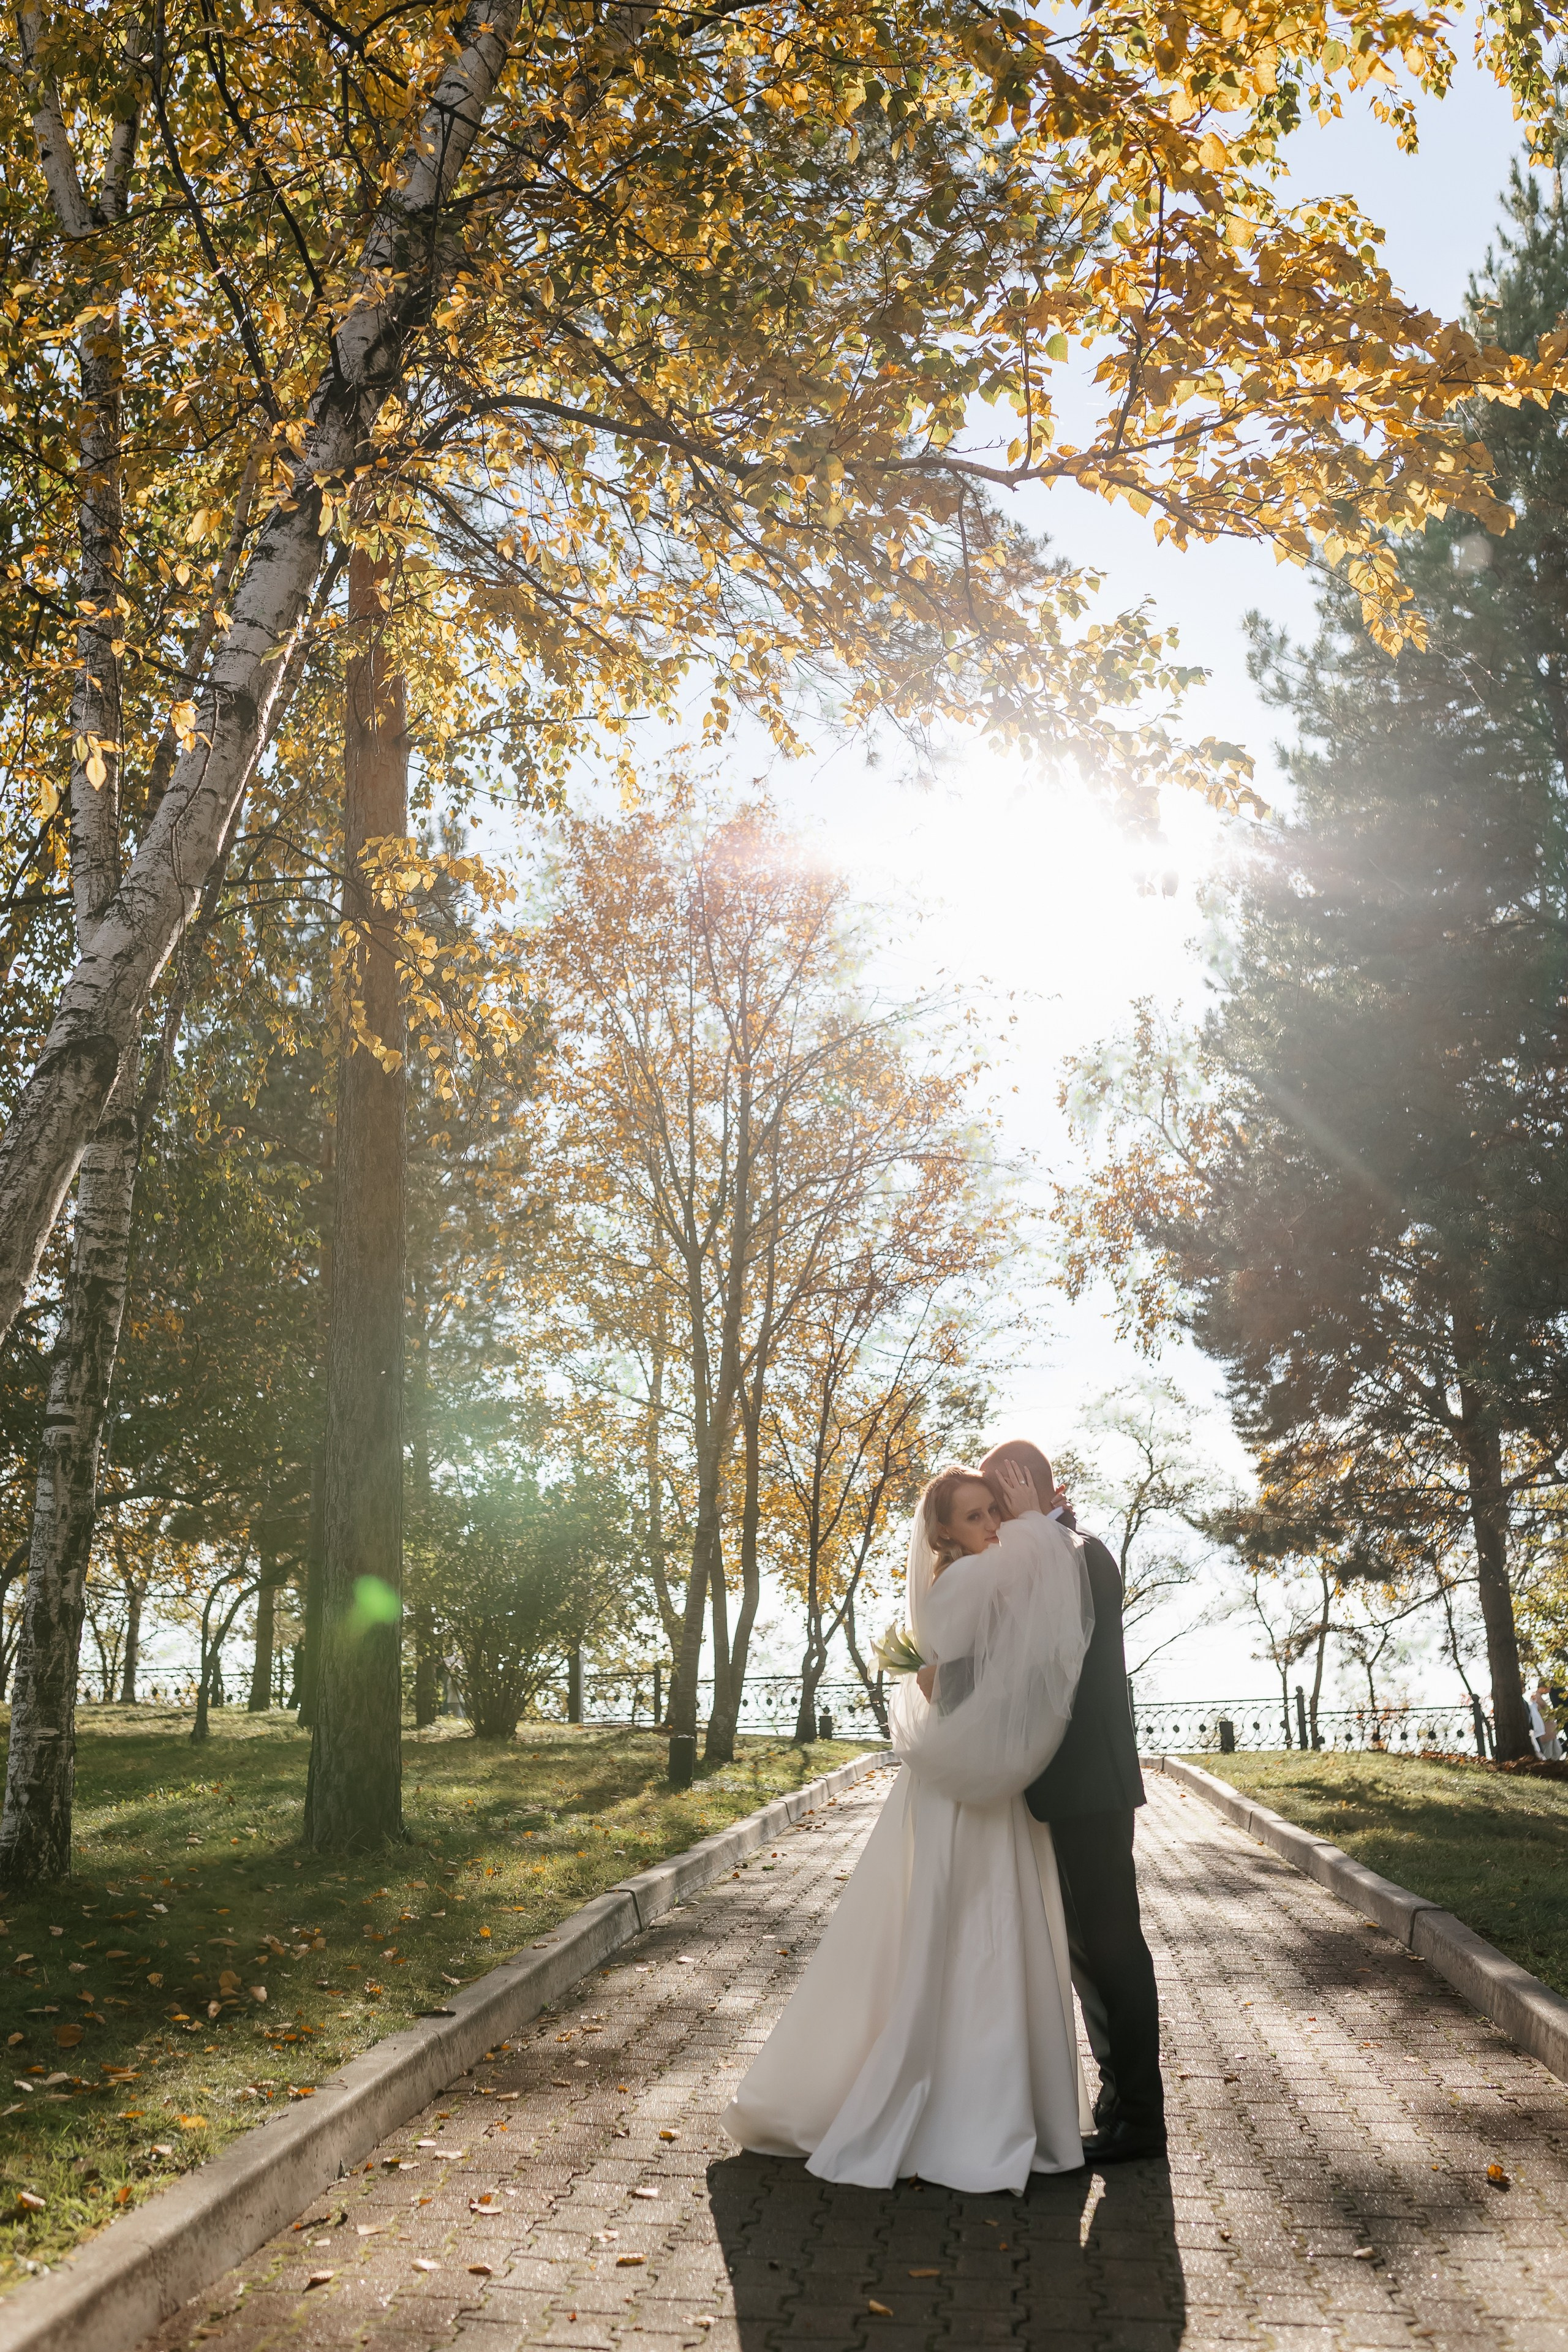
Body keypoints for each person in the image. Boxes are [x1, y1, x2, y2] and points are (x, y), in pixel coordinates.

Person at [722, 1458, 1095, 2193]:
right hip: (960, 1790)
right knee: (957, 1925)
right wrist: (1037, 1520)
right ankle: (952, 2106)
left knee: (991, 1925)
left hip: (988, 1785)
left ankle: (993, 2095)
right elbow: (966, 1675)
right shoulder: (967, 1578)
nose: (992, 1524)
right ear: (944, 1536)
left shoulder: (985, 1571)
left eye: (994, 1511)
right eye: (974, 1516)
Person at [979, 1438, 1166, 2166]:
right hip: (1071, 1786)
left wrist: (1030, 1526)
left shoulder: (1078, 1553)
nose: (994, 1519)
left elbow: (1049, 1656)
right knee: (1089, 1951)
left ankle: (1140, 2119)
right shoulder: (1052, 1549)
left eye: (998, 1500)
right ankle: (1119, 2105)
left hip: (1090, 1783)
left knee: (1112, 1947)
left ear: (1023, 1485)